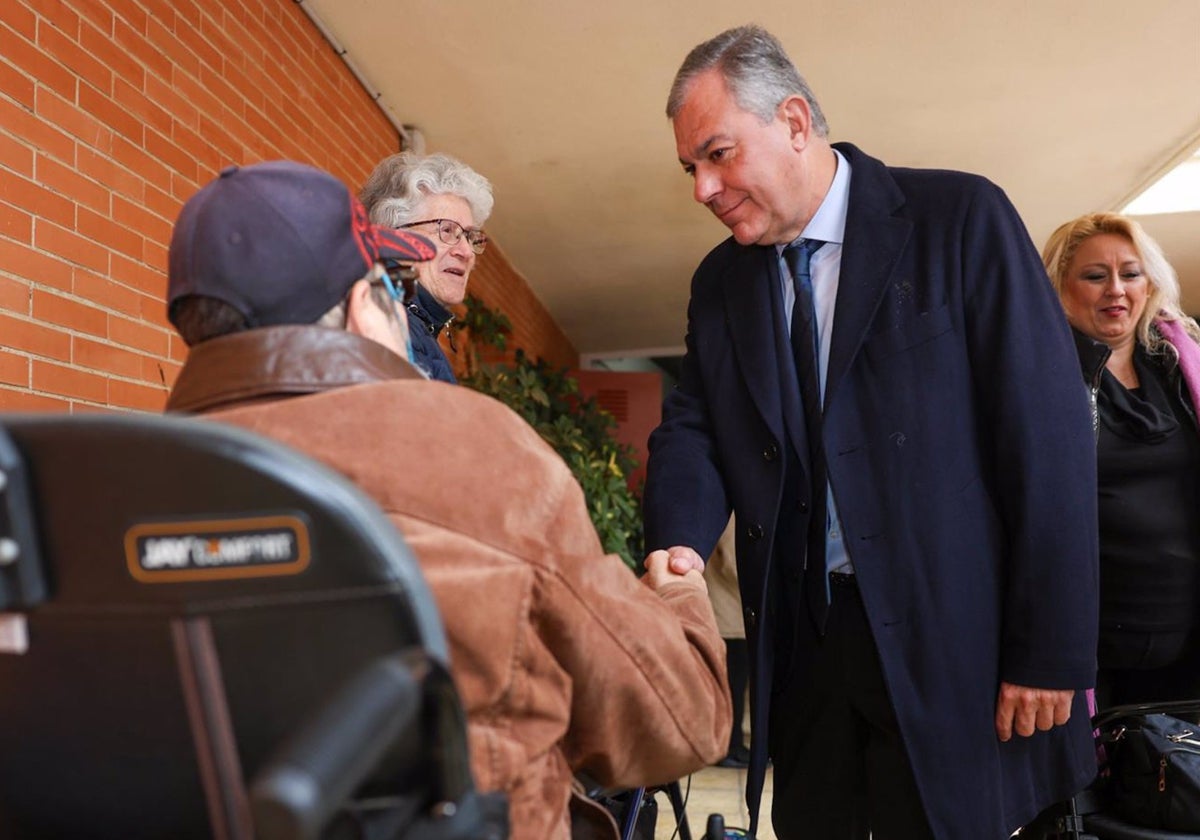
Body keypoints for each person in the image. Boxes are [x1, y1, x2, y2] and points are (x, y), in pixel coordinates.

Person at [164, 160, 731, 840]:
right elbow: (676, 720)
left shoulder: (118, 485)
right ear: (358, 305)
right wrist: (678, 597)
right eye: (384, 282)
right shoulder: (474, 449)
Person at [643, 24, 1100, 840]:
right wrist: (676, 543)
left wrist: (1050, 650)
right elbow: (697, 425)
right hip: (807, 648)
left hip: (955, 639)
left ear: (792, 120)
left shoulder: (958, 217)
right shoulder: (720, 284)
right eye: (691, 168)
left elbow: (1047, 436)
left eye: (717, 154)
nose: (702, 189)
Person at [1043, 212, 1200, 710]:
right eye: (1094, 276)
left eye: (1130, 273)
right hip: (1089, 639)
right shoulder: (1037, 380)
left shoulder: (1182, 365)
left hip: (1187, 626)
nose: (1116, 289)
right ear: (1060, 288)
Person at [359, 152, 493, 383]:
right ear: (393, 237)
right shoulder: (381, 321)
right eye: (447, 230)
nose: (467, 252)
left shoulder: (411, 325)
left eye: (470, 236)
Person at [703, 516, 750, 768]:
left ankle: (733, 745)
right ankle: (728, 747)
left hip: (728, 611)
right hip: (729, 614)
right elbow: (733, 561)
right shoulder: (731, 513)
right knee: (732, 683)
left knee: (733, 682)